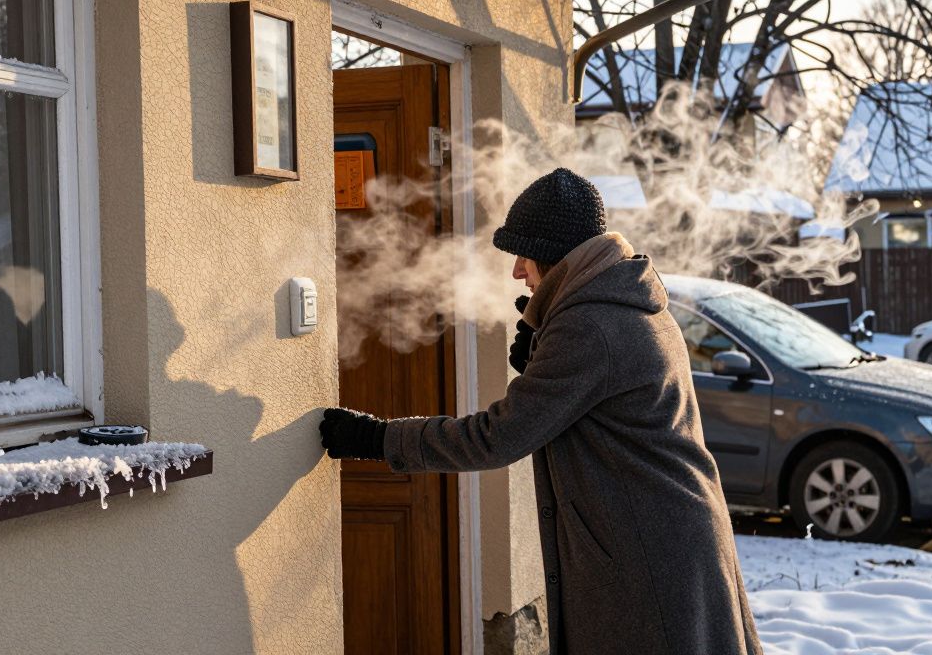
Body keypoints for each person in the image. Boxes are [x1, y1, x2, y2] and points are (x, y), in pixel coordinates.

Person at [320, 168, 762, 655]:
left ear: (555, 257)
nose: (515, 271)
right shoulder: (625, 297)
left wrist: (377, 438)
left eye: (523, 255)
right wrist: (542, 346)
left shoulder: (589, 326)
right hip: (669, 532)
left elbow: (498, 437)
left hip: (648, 552)